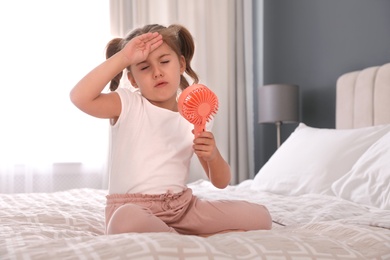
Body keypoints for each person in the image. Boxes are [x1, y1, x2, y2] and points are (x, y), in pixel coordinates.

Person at [70, 24, 272, 236]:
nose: (157, 72)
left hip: (182, 209)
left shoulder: (195, 117)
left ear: (181, 64)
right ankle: (179, 237)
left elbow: (221, 182)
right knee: (125, 220)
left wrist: (212, 155)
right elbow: (79, 97)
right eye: (144, 67)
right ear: (132, 78)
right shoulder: (127, 104)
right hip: (133, 209)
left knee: (261, 217)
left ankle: (169, 234)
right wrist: (123, 58)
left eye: (165, 62)